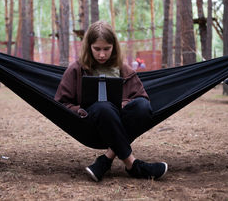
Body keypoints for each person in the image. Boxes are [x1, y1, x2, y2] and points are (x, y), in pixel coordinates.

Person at [55, 20, 168, 182]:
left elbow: (142, 98)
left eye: (107, 49)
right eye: (97, 49)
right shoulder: (76, 69)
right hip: (89, 124)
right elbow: (60, 103)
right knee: (104, 108)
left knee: (142, 107)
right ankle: (132, 164)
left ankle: (106, 160)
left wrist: (122, 105)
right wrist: (79, 110)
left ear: (114, 47)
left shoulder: (123, 69)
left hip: (118, 122)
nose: (102, 54)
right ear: (89, 47)